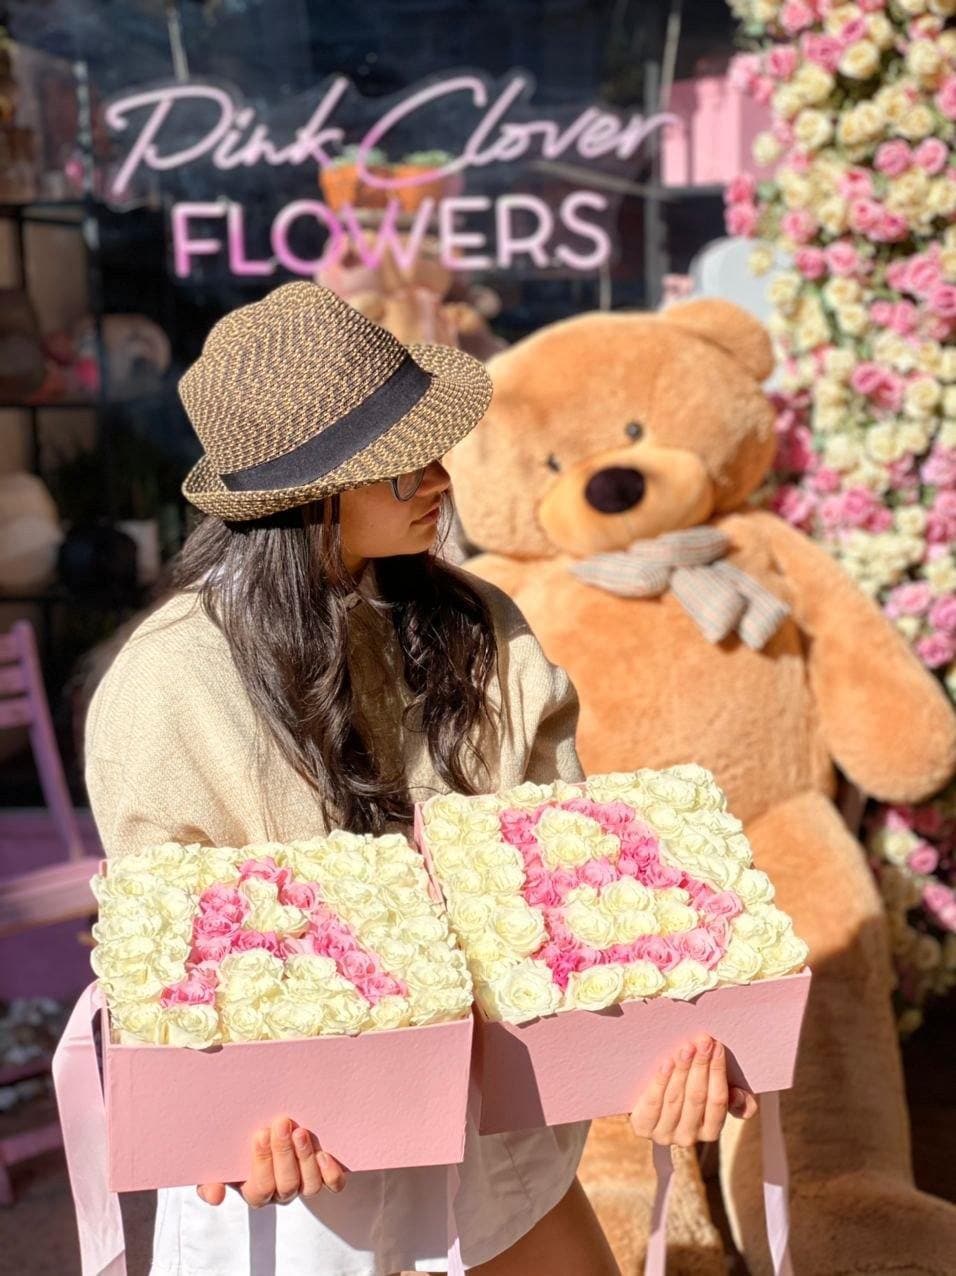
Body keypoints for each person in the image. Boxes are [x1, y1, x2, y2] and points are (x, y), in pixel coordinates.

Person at [84, 282, 756, 1276]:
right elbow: (171, 959)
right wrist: (224, 1106)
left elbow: (568, 869)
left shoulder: (481, 626)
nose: (439, 477)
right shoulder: (170, 684)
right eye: (401, 466)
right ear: (311, 496)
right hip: (305, 1185)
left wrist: (665, 1031)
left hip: (493, 1137)